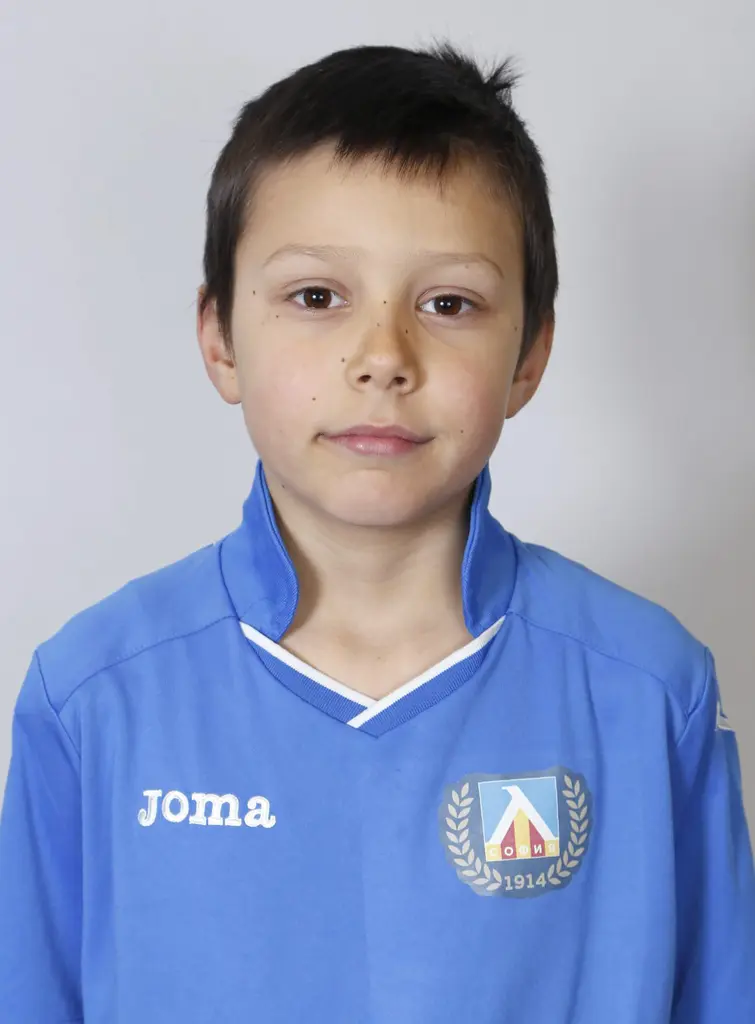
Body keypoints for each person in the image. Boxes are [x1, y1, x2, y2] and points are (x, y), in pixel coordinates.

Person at [0, 38, 753, 1024]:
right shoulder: (93, 695)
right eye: (316, 297)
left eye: (448, 302)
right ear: (219, 337)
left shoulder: (649, 691)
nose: (382, 356)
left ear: (528, 354)